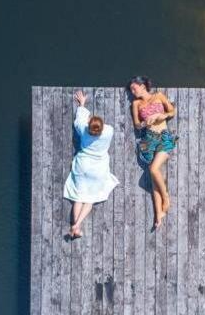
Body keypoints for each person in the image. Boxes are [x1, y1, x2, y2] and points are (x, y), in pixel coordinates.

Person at [63, 89, 119, 239]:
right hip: (97, 168)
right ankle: (76, 225)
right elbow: (98, 125)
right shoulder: (108, 131)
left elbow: (79, 119)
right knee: (90, 198)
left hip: (83, 165)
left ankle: (76, 226)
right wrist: (93, 121)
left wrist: (82, 104)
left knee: (79, 197)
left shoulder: (83, 129)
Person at [129, 76, 176, 230]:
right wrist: (144, 122)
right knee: (154, 176)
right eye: (131, 89)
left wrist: (161, 115)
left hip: (163, 136)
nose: (132, 91)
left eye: (134, 88)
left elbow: (172, 111)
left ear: (142, 86)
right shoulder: (135, 104)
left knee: (154, 169)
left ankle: (166, 197)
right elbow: (137, 125)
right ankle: (159, 213)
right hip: (148, 139)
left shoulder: (159, 96)